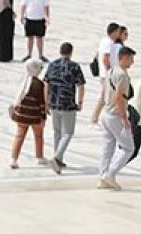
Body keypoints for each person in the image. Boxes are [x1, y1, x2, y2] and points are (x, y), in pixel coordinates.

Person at [98, 45, 135, 191]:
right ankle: (110, 174)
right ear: (123, 58)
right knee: (128, 147)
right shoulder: (122, 75)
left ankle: (102, 176)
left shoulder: (111, 70)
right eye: (131, 59)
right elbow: (119, 96)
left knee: (108, 146)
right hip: (115, 114)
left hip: (106, 113)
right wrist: (124, 118)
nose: (132, 62)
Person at [44, 42, 84, 174]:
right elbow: (80, 85)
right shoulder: (74, 66)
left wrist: (46, 101)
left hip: (54, 102)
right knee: (68, 133)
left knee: (57, 132)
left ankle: (59, 159)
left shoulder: (52, 65)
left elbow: (46, 84)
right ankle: (56, 157)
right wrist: (80, 102)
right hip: (68, 103)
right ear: (71, 52)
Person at [9, 58, 49, 169]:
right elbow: (42, 102)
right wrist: (43, 116)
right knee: (39, 136)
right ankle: (39, 157)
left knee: (19, 136)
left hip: (22, 115)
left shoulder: (24, 81)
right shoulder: (40, 84)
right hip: (35, 115)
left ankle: (13, 159)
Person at [89, 22, 123, 125]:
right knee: (104, 97)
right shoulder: (108, 43)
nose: (119, 33)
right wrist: (110, 72)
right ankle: (94, 119)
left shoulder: (105, 41)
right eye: (118, 31)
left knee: (107, 97)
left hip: (105, 73)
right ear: (114, 32)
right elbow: (105, 59)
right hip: (106, 74)